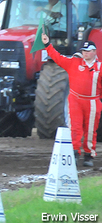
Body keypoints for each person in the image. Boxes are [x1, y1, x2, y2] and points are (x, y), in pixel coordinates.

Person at [41, 31, 101, 167]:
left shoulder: (100, 67)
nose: (85, 53)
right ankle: (74, 152)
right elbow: (57, 57)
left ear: (94, 52)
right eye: (84, 51)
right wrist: (47, 44)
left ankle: (88, 155)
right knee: (75, 127)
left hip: (92, 101)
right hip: (75, 100)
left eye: (88, 51)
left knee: (90, 129)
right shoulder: (74, 63)